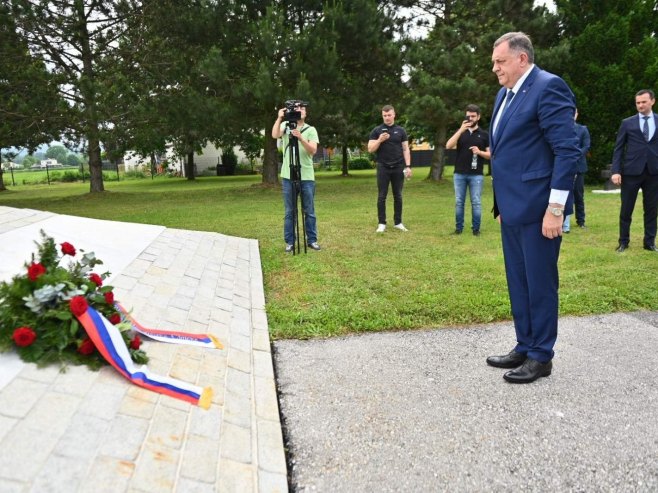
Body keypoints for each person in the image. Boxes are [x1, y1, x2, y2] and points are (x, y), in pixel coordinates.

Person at [486, 32, 580, 383]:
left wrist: (556, 209)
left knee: (540, 283)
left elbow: (567, 150)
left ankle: (541, 356)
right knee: (519, 281)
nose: (495, 68)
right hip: (511, 208)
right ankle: (525, 345)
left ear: (522, 59)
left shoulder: (548, 87)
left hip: (540, 209)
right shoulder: (504, 94)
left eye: (500, 61)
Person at [610, 89, 658, 252]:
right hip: (631, 172)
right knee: (626, 209)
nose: (640, 105)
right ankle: (623, 241)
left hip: (654, 172)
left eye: (644, 102)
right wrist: (616, 171)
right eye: (638, 103)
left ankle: (650, 242)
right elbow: (618, 148)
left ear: (652, 101)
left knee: (651, 209)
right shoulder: (627, 123)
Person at [271, 102, 321, 253]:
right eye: (297, 109)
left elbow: (313, 150)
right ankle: (290, 242)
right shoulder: (286, 125)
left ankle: (312, 240)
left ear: (305, 113)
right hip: (288, 176)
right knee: (289, 211)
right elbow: (274, 135)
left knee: (309, 210)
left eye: (303, 109)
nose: (300, 111)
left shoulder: (310, 129)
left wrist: (300, 138)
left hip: (306, 176)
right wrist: (279, 118)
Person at [445, 104, 491, 236]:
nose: (470, 119)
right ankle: (458, 229)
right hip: (459, 173)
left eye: (473, 116)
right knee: (459, 202)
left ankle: (476, 230)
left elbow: (490, 155)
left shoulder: (484, 135)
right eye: (468, 116)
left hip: (476, 175)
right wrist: (460, 130)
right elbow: (448, 145)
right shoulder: (461, 132)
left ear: (478, 117)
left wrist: (479, 152)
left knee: (476, 202)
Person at [368, 105, 412, 233]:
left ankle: (398, 222)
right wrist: (380, 140)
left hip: (398, 167)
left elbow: (405, 149)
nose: (387, 117)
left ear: (394, 115)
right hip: (383, 167)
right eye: (384, 115)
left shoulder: (401, 131)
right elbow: (370, 149)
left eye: (389, 115)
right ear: (382, 116)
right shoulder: (377, 131)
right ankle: (382, 223)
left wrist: (408, 166)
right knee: (382, 196)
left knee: (398, 195)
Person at [563, 109, 591, 233]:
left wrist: (573, 156)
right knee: (563, 194)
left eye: (573, 113)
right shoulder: (561, 129)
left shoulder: (583, 129)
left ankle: (581, 221)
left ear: (576, 114)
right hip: (564, 167)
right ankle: (563, 221)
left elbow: (586, 146)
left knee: (579, 195)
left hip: (578, 167)